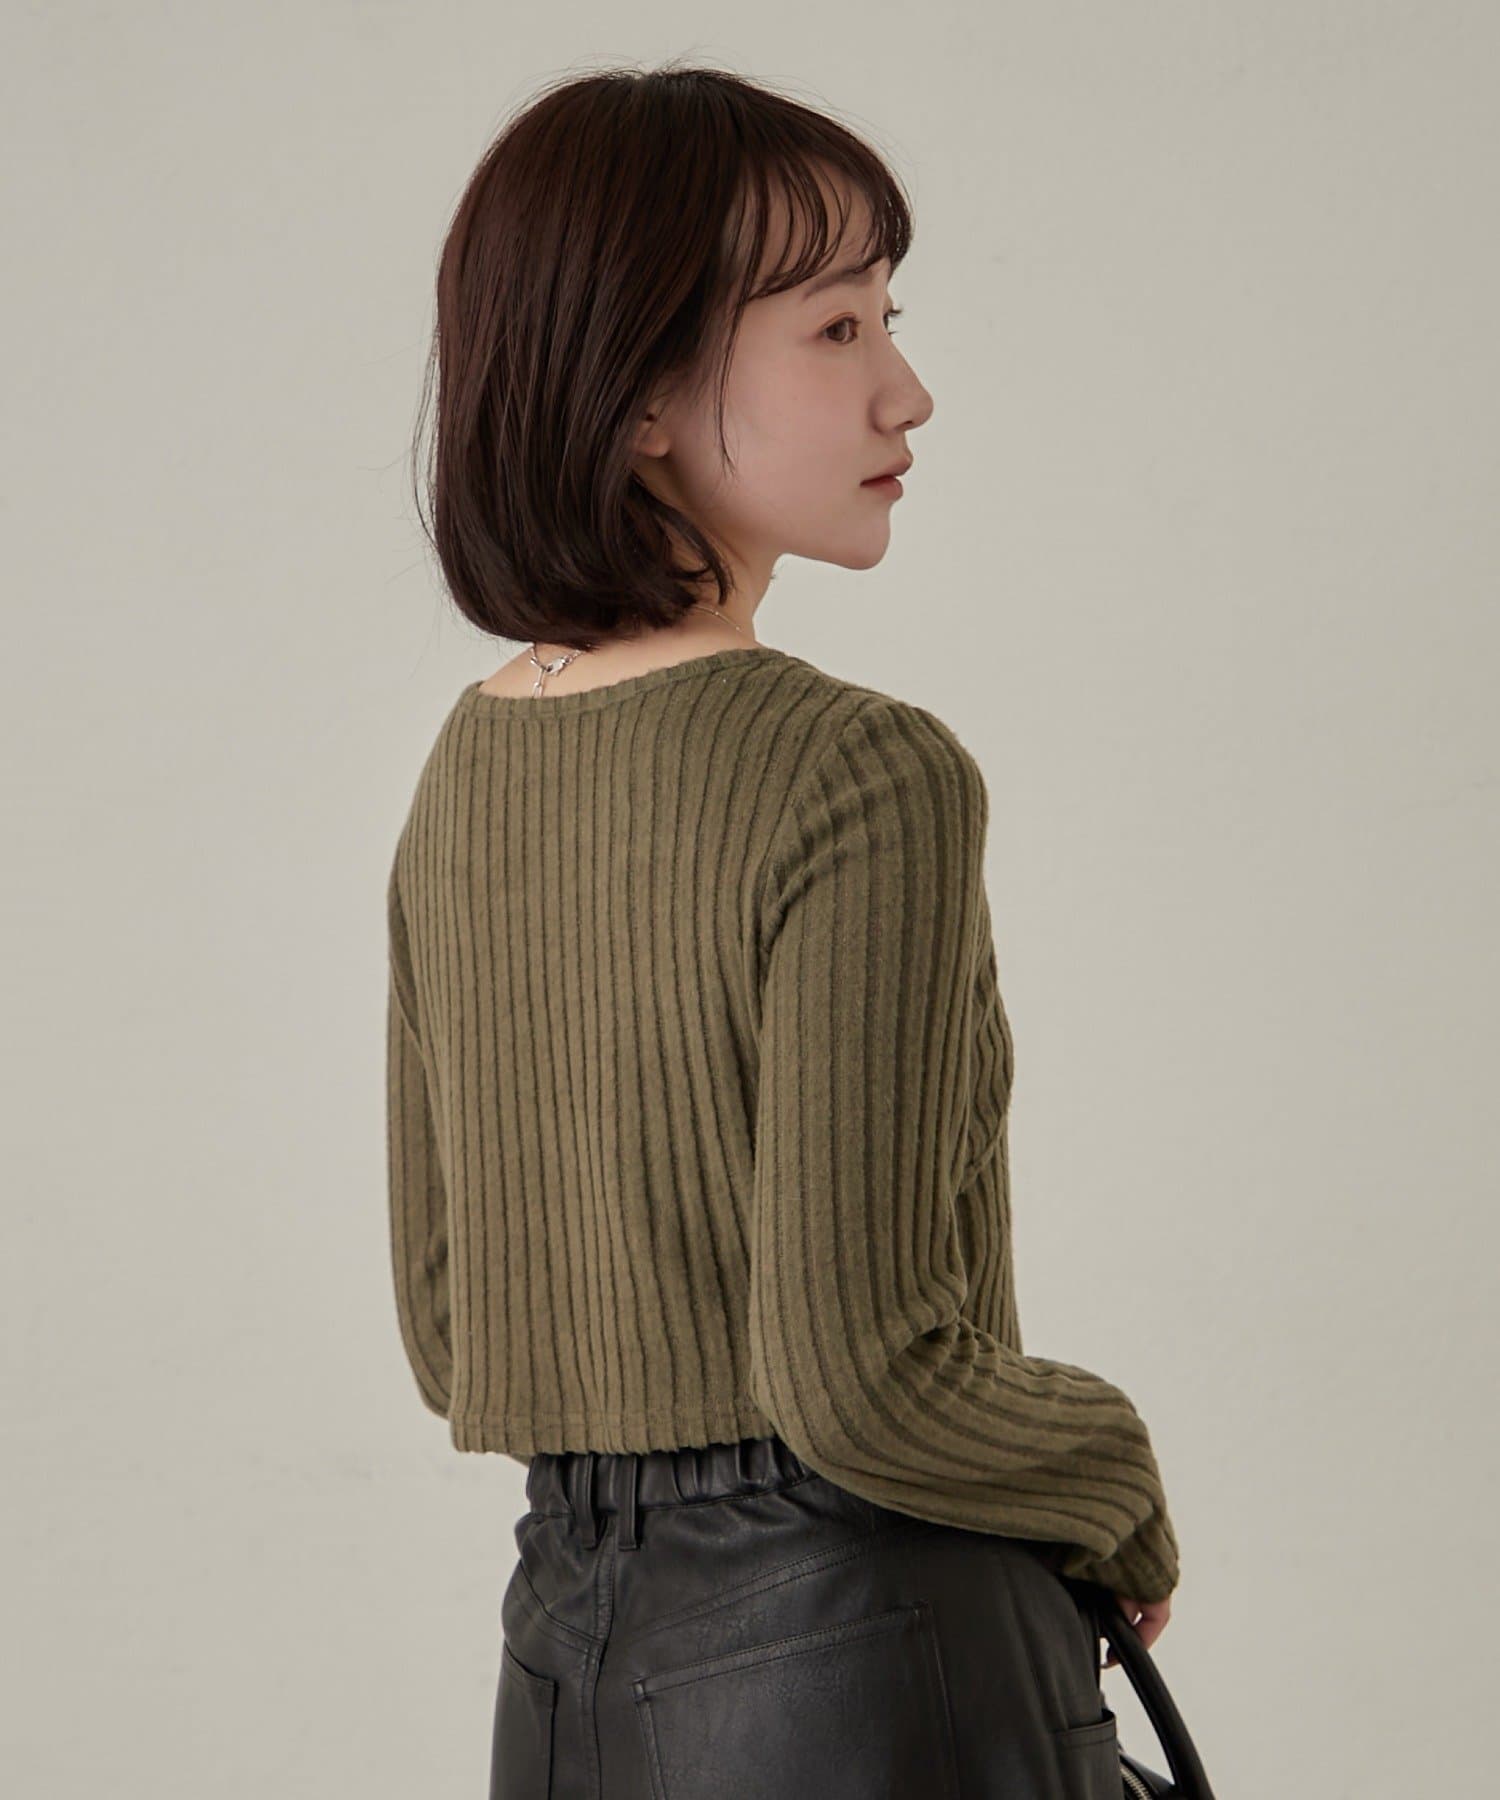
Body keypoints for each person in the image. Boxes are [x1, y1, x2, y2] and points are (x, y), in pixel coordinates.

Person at [386, 60, 1180, 1799]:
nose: (907, 389)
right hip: (868, 1658)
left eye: (891, 319)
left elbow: (455, 1333)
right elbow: (868, 1381)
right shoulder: (859, 771)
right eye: (835, 330)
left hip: (563, 1672)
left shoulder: (471, 766)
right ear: (640, 393)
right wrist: (1113, 1476)